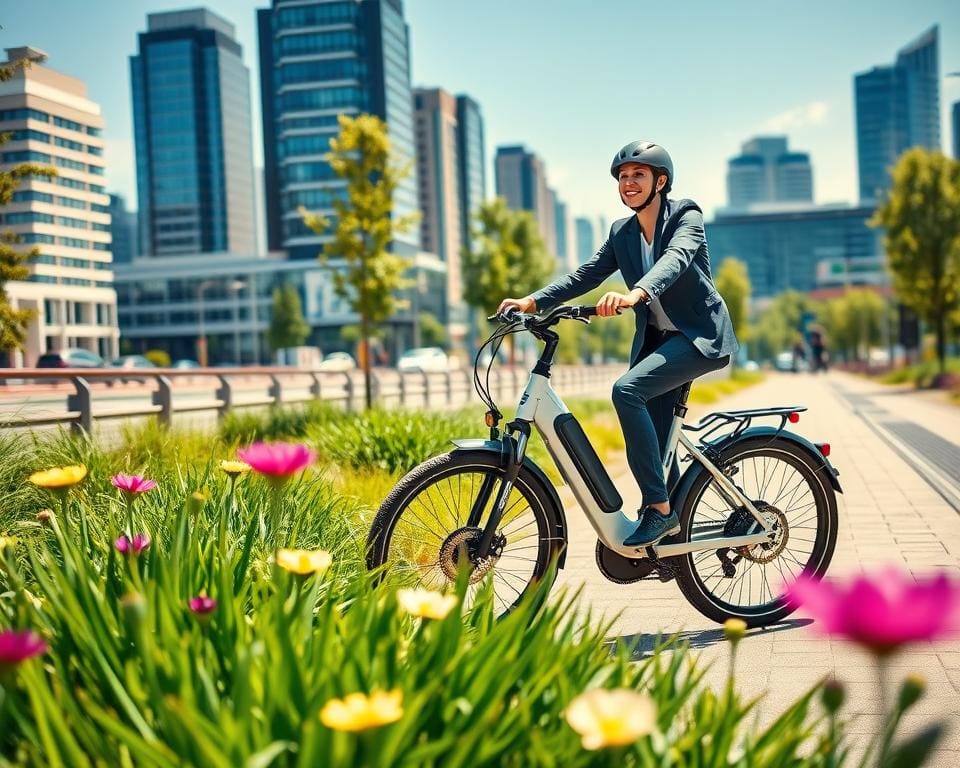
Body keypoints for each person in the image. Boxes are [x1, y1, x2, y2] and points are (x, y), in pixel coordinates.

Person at [497, 140, 739, 547]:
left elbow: (675, 259)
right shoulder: (622, 233)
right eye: (623, 177)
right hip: (659, 341)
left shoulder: (686, 216)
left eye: (638, 175)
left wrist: (635, 294)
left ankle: (658, 512)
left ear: (660, 182)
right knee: (658, 442)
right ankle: (672, 529)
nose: (628, 182)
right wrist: (534, 300)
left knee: (626, 391)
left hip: (699, 338)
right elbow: (586, 274)